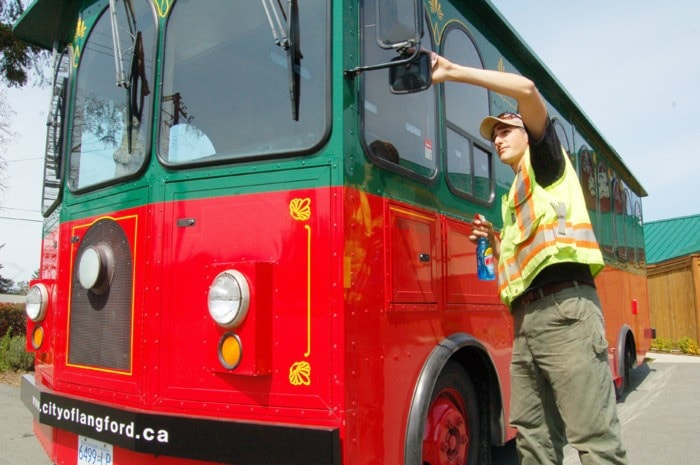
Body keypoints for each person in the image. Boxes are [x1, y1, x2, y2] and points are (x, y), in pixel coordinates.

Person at [431, 53, 628, 465]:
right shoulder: (513, 195)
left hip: (566, 312)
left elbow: (527, 91)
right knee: (533, 438)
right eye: (494, 135)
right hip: (527, 321)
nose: (498, 139)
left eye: (506, 130)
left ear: (528, 133)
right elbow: (532, 252)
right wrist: (496, 238)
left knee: (593, 439)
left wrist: (453, 72)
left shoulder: (547, 163)